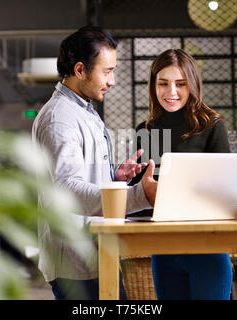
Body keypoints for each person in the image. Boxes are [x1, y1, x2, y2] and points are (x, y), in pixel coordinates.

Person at [31, 26, 157, 300]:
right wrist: (139, 195)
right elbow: (68, 190)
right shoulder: (60, 119)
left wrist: (113, 177)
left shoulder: (83, 108)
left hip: (92, 254)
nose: (112, 81)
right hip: (74, 265)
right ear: (79, 70)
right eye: (107, 71)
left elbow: (77, 175)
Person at [130, 49, 233, 300]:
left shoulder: (211, 124)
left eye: (180, 84)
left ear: (192, 85)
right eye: (163, 83)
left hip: (208, 247)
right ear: (153, 86)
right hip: (164, 248)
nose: (171, 92)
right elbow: (139, 197)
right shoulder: (147, 130)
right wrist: (130, 181)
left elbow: (229, 191)